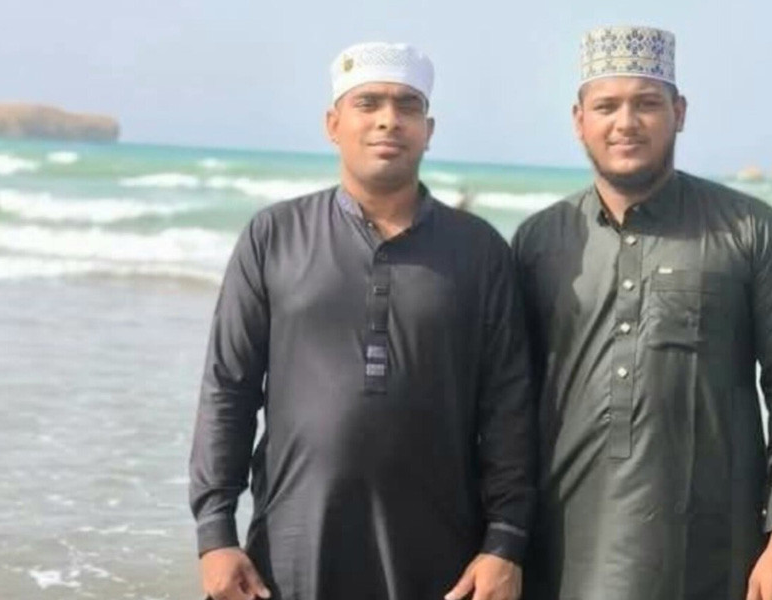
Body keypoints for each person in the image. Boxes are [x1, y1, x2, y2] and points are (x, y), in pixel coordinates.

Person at [189, 41, 535, 600]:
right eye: (368, 103)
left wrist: (505, 543)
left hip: (440, 557)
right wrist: (215, 534)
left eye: (407, 105)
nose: (388, 120)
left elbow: (508, 407)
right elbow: (228, 388)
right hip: (292, 548)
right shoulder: (274, 236)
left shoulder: (479, 251)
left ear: (428, 130)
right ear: (333, 124)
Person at [512, 26, 772, 600]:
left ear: (679, 113)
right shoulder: (538, 241)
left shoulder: (752, 231)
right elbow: (508, 400)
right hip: (561, 552)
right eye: (606, 106)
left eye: (647, 103)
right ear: (579, 120)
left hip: (712, 548)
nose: (626, 122)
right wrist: (501, 540)